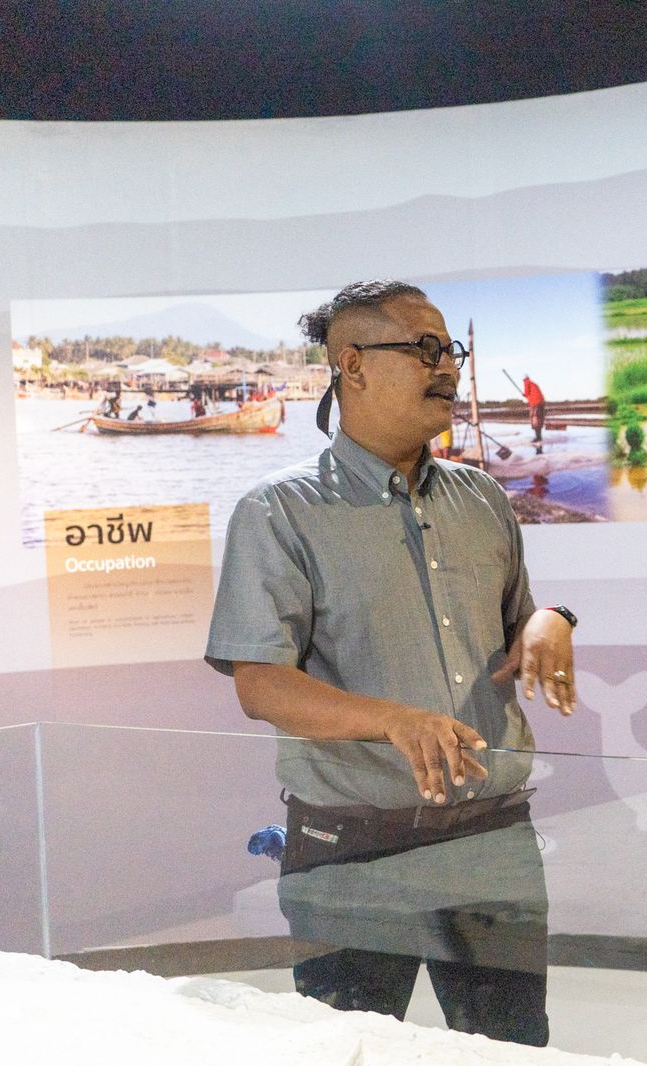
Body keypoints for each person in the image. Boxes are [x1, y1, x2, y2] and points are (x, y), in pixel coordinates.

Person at [205, 279, 579, 1047]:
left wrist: (550, 620)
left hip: (493, 838)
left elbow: (515, 622)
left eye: (451, 350)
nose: (448, 367)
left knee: (512, 1049)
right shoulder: (279, 512)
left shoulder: (483, 498)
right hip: (353, 849)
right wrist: (392, 721)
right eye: (424, 348)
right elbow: (261, 685)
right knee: (352, 1051)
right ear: (353, 365)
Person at [520, 374, 545, 443]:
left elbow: (527, 393)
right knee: (538, 420)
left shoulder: (527, 383)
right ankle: (539, 437)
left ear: (524, 379)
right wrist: (526, 395)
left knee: (535, 420)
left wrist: (525, 395)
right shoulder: (533, 384)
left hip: (535, 404)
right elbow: (530, 394)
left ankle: (538, 438)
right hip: (540, 403)